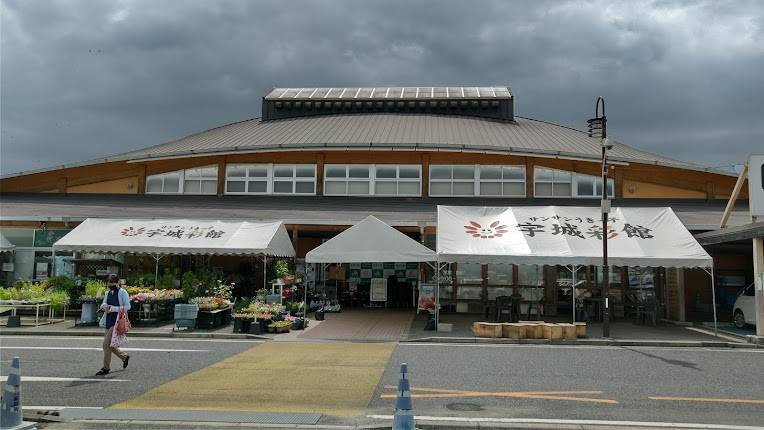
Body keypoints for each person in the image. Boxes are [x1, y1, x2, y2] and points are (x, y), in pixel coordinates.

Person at [96, 274, 131, 375]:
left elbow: (128, 307)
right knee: (110, 345)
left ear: (117, 282)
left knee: (105, 345)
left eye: (111, 282)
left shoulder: (122, 292)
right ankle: (124, 356)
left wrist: (113, 308)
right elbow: (104, 303)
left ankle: (105, 368)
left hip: (117, 322)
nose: (109, 284)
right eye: (108, 282)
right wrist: (104, 306)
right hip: (108, 320)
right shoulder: (108, 293)